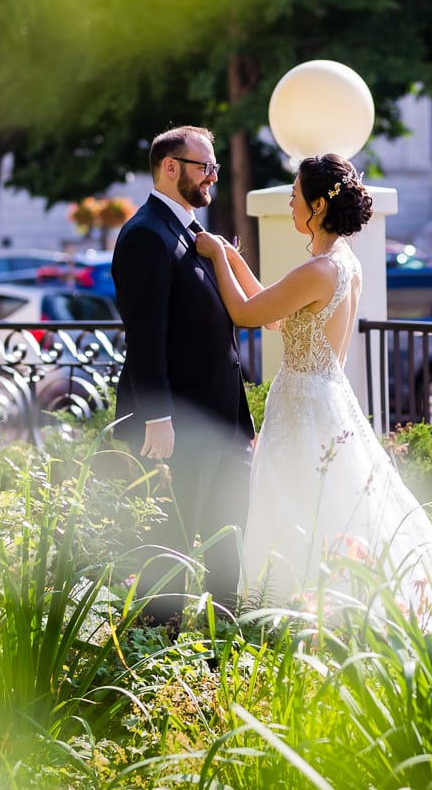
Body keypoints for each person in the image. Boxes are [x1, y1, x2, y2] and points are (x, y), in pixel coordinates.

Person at [194, 153, 432, 627]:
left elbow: (247, 315)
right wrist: (231, 257)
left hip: (305, 405)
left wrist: (214, 257)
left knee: (299, 507)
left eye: (294, 197)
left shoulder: (320, 270)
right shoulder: (340, 264)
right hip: (322, 399)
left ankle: (303, 618)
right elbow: (272, 310)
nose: (290, 204)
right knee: (318, 503)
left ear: (315, 207)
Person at [111, 125, 254, 625]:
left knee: (226, 536)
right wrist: (157, 417)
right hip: (176, 427)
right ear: (170, 168)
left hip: (222, 420)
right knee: (170, 544)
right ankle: (155, 656)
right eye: (204, 167)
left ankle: (224, 651)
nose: (213, 176)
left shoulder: (193, 232)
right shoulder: (146, 235)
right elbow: (145, 333)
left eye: (214, 167)